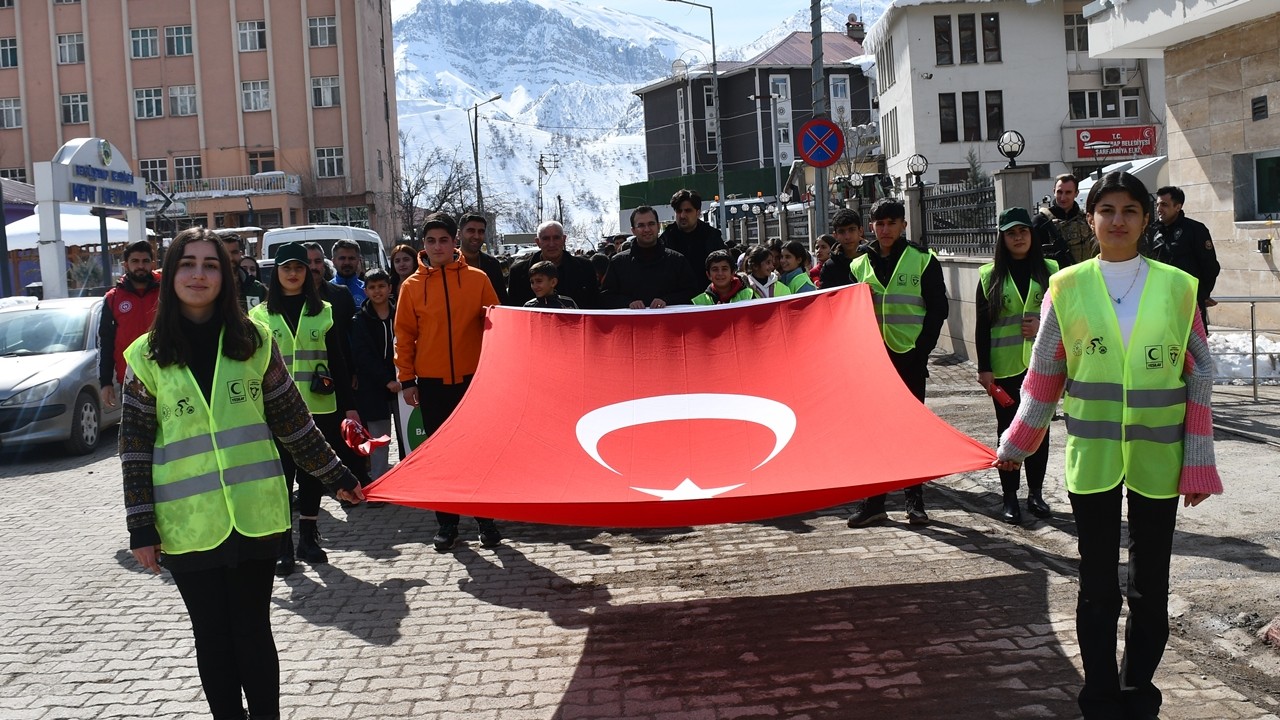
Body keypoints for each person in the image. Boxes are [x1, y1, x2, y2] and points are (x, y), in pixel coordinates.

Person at [995, 171, 1220, 720]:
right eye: (1107, 210)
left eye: (1130, 211)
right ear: (1090, 219)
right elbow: (1044, 373)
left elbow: (1201, 371)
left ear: (1146, 220)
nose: (1118, 221)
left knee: (1150, 590)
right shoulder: (1066, 286)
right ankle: (1098, 697)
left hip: (1159, 459)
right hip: (1092, 460)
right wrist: (1019, 440)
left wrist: (1197, 461)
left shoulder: (1177, 285)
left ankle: (1138, 692)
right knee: (1096, 588)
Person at [121, 227, 363, 720]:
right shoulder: (146, 357)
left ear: (225, 277)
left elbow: (293, 421)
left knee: (253, 630)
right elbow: (135, 450)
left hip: (257, 515)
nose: (199, 274)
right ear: (171, 276)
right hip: (188, 523)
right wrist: (141, 527)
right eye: (188, 264)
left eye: (211, 265)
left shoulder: (254, 341)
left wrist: (339, 476)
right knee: (211, 636)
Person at [250, 242, 364, 576]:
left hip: (319, 407)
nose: (293, 274)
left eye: (299, 268)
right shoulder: (258, 316)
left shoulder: (323, 311)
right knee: (281, 478)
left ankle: (309, 538)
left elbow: (338, 362)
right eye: (286, 268)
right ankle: (284, 545)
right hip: (275, 411)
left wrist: (350, 408)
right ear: (277, 273)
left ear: (307, 272)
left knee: (312, 475)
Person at [394, 212, 503, 551]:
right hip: (431, 382)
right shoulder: (411, 286)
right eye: (430, 241)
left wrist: (497, 371)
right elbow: (404, 336)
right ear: (422, 245)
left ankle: (486, 521)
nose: (437, 246)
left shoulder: (478, 279)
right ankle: (447, 524)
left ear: (454, 241)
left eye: (443, 240)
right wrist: (407, 380)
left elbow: (495, 326)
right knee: (441, 455)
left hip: (474, 380)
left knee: (479, 452)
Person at [846, 198, 949, 527]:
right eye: (880, 223)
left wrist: (923, 349)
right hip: (873, 361)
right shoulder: (859, 265)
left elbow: (938, 309)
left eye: (892, 222)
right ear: (872, 227)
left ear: (903, 224)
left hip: (910, 358)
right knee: (873, 431)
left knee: (910, 430)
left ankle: (914, 501)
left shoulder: (922, 260)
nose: (885, 229)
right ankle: (874, 503)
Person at [975, 207, 1059, 525]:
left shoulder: (1051, 270)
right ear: (1003, 238)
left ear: (1031, 234)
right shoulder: (989, 275)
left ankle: (1035, 494)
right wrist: (984, 369)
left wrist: (1041, 325)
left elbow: (1065, 316)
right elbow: (982, 327)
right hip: (1004, 368)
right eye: (1011, 233)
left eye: (1023, 231)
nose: (1018, 237)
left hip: (1042, 366)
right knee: (1008, 431)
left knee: (1040, 430)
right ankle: (1009, 498)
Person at [1144, 185, 1220, 328]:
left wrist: (1200, 296)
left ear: (1178, 207)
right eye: (1158, 204)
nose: (1159, 209)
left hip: (1188, 305)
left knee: (1192, 348)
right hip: (1160, 304)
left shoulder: (1195, 230)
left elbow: (1211, 267)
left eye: (1164, 205)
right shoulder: (1153, 231)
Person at [350, 267, 400, 481]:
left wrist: (401, 378)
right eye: (372, 287)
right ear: (366, 290)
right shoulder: (358, 320)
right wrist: (386, 380)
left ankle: (411, 481)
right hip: (374, 388)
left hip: (403, 384)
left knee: (410, 435)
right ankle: (379, 484)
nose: (377, 291)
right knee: (380, 440)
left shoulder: (401, 313)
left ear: (390, 288)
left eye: (381, 286)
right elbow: (363, 356)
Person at [99, 239, 160, 409]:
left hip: (167, 373)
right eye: (135, 261)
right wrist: (105, 382)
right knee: (135, 435)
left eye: (145, 261)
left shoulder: (168, 290)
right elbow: (106, 342)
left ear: (152, 263)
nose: (140, 266)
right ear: (126, 264)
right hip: (131, 379)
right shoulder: (113, 298)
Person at [601, 206, 700, 309]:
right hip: (632, 323)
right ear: (633, 230)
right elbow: (606, 296)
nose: (647, 229)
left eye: (651, 224)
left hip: (669, 323)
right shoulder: (618, 263)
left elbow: (692, 292)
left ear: (658, 226)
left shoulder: (677, 260)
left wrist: (667, 301)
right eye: (641, 225)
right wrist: (628, 303)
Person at [506, 220, 599, 308]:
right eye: (546, 239)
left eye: (556, 238)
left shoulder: (585, 268)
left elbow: (595, 306)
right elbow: (514, 311)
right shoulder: (518, 272)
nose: (551, 244)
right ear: (538, 242)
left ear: (564, 239)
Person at [658, 188, 725, 273]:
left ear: (698, 212)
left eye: (688, 211)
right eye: (679, 211)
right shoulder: (666, 238)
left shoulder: (712, 236)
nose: (682, 215)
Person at [1032, 173, 1093, 265]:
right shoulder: (1041, 221)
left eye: (1068, 192)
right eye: (1059, 192)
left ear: (1076, 193)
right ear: (1054, 191)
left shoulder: (1087, 220)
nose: (1063, 197)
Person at [458, 213, 509, 305]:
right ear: (459, 234)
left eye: (481, 232)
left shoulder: (493, 264)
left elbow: (502, 301)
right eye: (471, 231)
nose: (476, 236)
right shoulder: (448, 262)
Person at [819, 209, 868, 289]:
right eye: (842, 231)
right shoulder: (830, 267)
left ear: (860, 231)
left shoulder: (873, 258)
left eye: (852, 230)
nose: (847, 237)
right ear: (835, 235)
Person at [222, 233, 267, 313]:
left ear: (241, 254)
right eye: (225, 253)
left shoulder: (257, 290)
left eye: (234, 252)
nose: (230, 258)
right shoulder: (209, 287)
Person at [329, 239, 367, 306]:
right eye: (342, 258)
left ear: (358, 260)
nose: (347, 262)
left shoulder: (367, 290)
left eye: (351, 258)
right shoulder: (325, 290)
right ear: (333, 261)